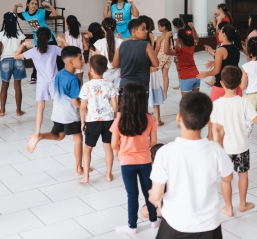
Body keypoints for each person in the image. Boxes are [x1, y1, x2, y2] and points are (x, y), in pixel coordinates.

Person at [149, 92, 233, 239]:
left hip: (175, 224)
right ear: (207, 121)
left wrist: (152, 196)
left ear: (179, 117)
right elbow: (228, 177)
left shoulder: (165, 152)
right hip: (209, 225)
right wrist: (219, 142)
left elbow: (157, 195)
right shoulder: (215, 150)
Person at [212, 66, 257, 216]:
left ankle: (228, 207)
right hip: (241, 146)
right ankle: (243, 204)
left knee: (226, 179)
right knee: (243, 174)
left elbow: (215, 129)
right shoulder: (244, 102)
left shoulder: (216, 104)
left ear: (222, 83)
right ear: (240, 82)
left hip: (224, 148)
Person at [26, 46, 84, 176]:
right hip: (70, 114)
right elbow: (74, 101)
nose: (83, 61)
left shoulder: (59, 73)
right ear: (70, 61)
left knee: (59, 135)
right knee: (78, 138)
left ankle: (40, 135)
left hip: (57, 112)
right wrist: (85, 108)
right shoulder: (74, 79)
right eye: (80, 58)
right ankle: (79, 168)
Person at [111, 82, 159, 234]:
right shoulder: (149, 119)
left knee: (132, 195)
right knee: (148, 191)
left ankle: (132, 226)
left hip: (126, 162)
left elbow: (113, 144)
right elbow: (153, 142)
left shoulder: (119, 120)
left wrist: (119, 153)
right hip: (145, 160)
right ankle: (153, 220)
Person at [15, 28, 65, 150]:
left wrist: (23, 44)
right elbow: (68, 52)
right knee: (56, 106)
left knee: (40, 108)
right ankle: (58, 129)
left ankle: (37, 132)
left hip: (42, 83)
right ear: (49, 38)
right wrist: (63, 41)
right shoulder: (53, 49)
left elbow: (16, 56)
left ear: (36, 37)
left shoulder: (33, 51)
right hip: (54, 81)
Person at [78, 55, 118, 184]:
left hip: (92, 121)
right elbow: (115, 105)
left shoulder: (86, 86)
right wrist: (114, 116)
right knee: (108, 148)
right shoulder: (110, 84)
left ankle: (86, 177)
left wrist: (83, 122)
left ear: (90, 69)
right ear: (106, 69)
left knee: (88, 148)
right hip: (108, 120)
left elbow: (83, 107)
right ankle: (108, 174)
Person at [13, 0, 62, 83]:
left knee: (56, 57)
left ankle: (60, 74)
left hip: (48, 37)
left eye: (36, 4)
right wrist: (16, 6)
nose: (34, 5)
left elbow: (55, 14)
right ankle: (34, 76)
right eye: (32, 3)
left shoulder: (42, 12)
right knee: (37, 56)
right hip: (37, 38)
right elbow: (14, 14)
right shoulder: (25, 14)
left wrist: (48, 5)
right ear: (28, 4)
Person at [112, 19, 159, 102]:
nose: (146, 31)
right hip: (142, 86)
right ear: (133, 31)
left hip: (125, 85)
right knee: (141, 112)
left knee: (124, 111)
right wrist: (145, 63)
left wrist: (125, 64)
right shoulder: (146, 45)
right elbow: (156, 63)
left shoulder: (122, 44)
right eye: (143, 29)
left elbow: (114, 64)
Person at [198, 23, 243, 102]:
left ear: (224, 34)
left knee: (215, 111)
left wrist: (206, 74)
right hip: (235, 85)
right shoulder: (236, 48)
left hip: (221, 86)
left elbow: (216, 70)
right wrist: (214, 59)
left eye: (220, 31)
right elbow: (229, 61)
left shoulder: (221, 50)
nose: (218, 33)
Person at [0, 12, 27, 116]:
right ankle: (19, 111)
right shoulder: (20, 33)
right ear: (15, 21)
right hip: (18, 60)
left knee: (4, 86)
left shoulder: (1, 33)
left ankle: (2, 110)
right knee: (17, 87)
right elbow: (24, 50)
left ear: (5, 21)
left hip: (5, 61)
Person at [164, 23, 200, 97]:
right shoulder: (191, 47)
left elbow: (166, 51)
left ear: (179, 40)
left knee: (186, 102)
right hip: (196, 76)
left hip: (186, 78)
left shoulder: (180, 51)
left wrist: (167, 37)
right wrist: (193, 27)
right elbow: (196, 38)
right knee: (195, 100)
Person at [93, 18, 123, 88]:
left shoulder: (99, 43)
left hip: (104, 73)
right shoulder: (121, 42)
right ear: (115, 27)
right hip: (119, 73)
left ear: (102, 28)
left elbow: (98, 61)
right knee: (117, 95)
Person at [64, 15, 88, 82]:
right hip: (80, 58)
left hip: (70, 59)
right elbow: (86, 48)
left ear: (67, 23)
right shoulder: (80, 35)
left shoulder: (65, 35)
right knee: (80, 80)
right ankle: (81, 92)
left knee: (70, 80)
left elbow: (63, 49)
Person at [155, 18, 174, 98]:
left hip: (161, 57)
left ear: (164, 27)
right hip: (169, 57)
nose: (158, 28)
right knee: (165, 75)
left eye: (159, 26)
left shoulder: (160, 37)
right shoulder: (171, 34)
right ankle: (165, 93)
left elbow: (157, 49)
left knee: (152, 72)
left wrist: (152, 56)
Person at [171, 18, 185, 90]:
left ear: (175, 26)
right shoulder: (186, 32)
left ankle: (180, 84)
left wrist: (172, 48)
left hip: (179, 53)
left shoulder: (177, 34)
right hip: (186, 52)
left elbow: (177, 45)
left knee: (179, 70)